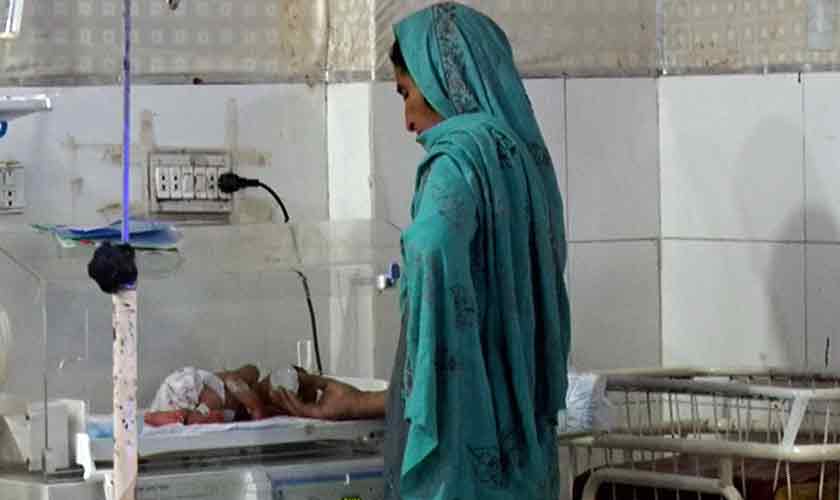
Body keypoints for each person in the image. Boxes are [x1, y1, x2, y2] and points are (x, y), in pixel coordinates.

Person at [273, 3, 570, 499]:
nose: (409, 120)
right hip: (526, 467)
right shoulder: (523, 163)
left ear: (440, 83)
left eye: (406, 93)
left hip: (459, 477)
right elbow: (479, 368)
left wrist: (416, 266)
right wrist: (365, 402)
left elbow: (432, 250)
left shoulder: (458, 158)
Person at [144, 364, 318, 426]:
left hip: (188, 408)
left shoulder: (266, 410)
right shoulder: (252, 375)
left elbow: (264, 414)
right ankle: (194, 415)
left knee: (185, 416)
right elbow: (231, 380)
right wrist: (256, 406)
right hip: (191, 389)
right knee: (218, 398)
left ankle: (165, 417)